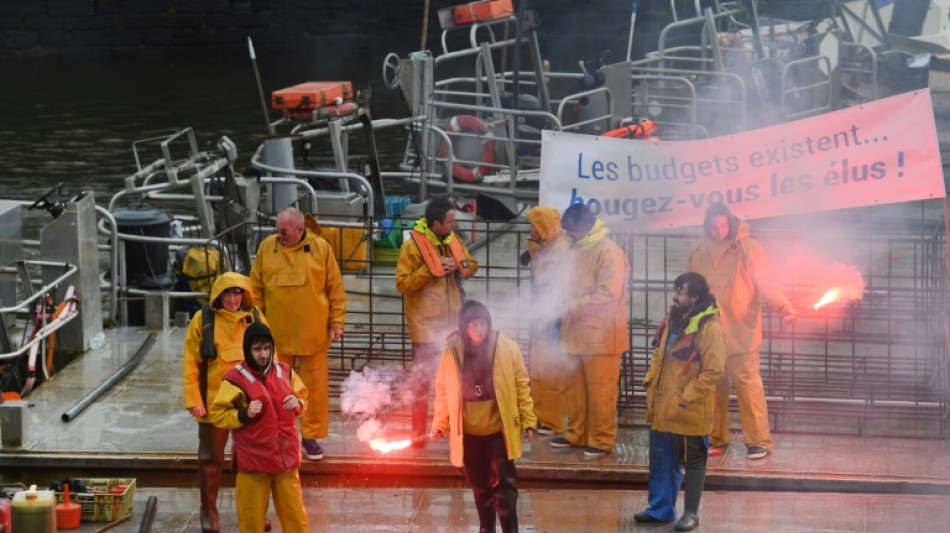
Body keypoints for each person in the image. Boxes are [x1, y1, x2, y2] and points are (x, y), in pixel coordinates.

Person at [687, 202, 795, 459]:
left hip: (741, 334)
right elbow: (688, 289)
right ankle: (714, 438)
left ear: (731, 223)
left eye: (722, 226)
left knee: (748, 389)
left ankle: (758, 442)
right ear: (706, 225)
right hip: (708, 335)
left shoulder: (749, 249)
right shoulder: (698, 251)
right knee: (711, 388)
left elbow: (767, 284)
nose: (718, 231)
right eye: (713, 227)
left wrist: (782, 306)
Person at [429, 300, 537, 533]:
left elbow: (521, 385)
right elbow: (443, 390)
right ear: (464, 327)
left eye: (483, 324)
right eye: (474, 325)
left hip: (498, 432)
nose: (480, 330)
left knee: (504, 489)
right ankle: (486, 529)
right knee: (480, 489)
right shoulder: (452, 351)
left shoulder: (506, 347)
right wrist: (440, 424)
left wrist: (528, 420)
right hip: (469, 435)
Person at [250, 206, 346, 461]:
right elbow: (255, 288)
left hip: (313, 334)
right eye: (278, 230)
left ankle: (311, 437)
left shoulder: (321, 248)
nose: (280, 235)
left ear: (299, 229)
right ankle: (279, 434)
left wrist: (337, 322)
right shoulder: (266, 248)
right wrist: (256, 323)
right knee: (276, 389)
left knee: (314, 389)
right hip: (276, 336)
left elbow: (335, 287)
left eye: (284, 231)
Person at [635, 272, 726, 532]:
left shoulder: (710, 328)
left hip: (689, 408)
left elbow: (714, 371)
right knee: (662, 459)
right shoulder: (673, 319)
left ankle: (691, 514)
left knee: (694, 461)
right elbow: (659, 355)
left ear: (695, 297)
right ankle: (661, 510)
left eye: (680, 292)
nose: (675, 296)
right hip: (663, 405)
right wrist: (650, 380)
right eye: (675, 290)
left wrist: (687, 396)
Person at [182, 272, 267, 533]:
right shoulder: (202, 320)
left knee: (255, 460)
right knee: (211, 460)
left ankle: (255, 513)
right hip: (214, 404)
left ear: (244, 295)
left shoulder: (255, 318)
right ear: (219, 295)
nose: (232, 300)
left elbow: (270, 358)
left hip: (250, 403)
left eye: (237, 294)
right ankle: (209, 513)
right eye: (228, 294)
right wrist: (194, 400)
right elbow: (190, 363)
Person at [210, 322, 309, 533]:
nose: (263, 354)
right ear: (248, 349)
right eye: (257, 349)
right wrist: (244, 414)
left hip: (286, 462)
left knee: (296, 519)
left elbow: (303, 396)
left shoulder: (286, 372)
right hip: (253, 463)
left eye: (266, 348)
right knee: (251, 522)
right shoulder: (234, 379)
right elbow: (218, 415)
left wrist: (299, 404)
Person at [396, 197, 479, 443]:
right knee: (422, 382)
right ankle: (418, 432)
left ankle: (456, 428)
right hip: (425, 328)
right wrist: (431, 270)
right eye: (450, 221)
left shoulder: (454, 240)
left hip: (453, 326)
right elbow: (403, 283)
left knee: (457, 379)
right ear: (436, 224)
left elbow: (472, 265)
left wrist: (458, 264)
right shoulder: (412, 247)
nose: (454, 225)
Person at [550, 202, 630, 457]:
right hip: (575, 333)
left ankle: (602, 439)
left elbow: (608, 293)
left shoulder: (609, 252)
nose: (567, 235)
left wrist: (572, 306)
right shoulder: (574, 249)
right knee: (575, 388)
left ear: (584, 227)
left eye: (570, 230)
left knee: (601, 391)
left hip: (602, 336)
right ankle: (577, 433)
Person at [523, 206, 571, 435]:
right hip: (541, 317)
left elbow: (559, 288)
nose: (530, 229)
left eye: (534, 225)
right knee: (539, 371)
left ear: (545, 226)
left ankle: (552, 421)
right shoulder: (546, 246)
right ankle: (539, 416)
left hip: (553, 320)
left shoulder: (560, 250)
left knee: (552, 372)